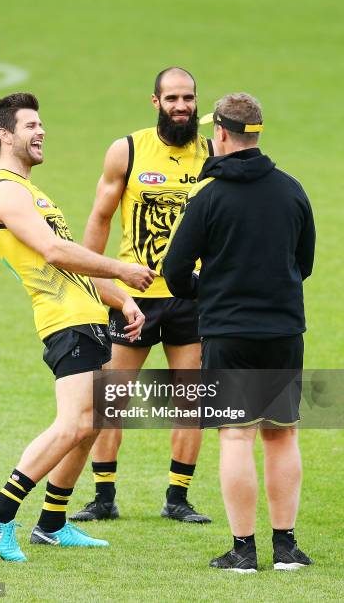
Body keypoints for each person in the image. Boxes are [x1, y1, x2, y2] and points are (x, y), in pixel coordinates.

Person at [0, 92, 155, 562]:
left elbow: (73, 263)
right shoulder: (4, 191)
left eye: (41, 125)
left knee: (92, 422)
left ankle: (52, 522)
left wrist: (122, 300)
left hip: (88, 316)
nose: (41, 132)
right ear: (4, 134)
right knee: (74, 421)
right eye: (30, 126)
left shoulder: (33, 193)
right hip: (64, 321)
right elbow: (54, 254)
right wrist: (121, 269)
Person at [163, 92, 315, 572]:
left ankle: (243, 551)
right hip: (283, 330)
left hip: (229, 334)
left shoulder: (209, 197)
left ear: (221, 134)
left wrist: (205, 292)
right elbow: (304, 263)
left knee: (235, 436)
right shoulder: (292, 190)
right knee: (282, 436)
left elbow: (174, 270)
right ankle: (287, 548)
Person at [69, 67, 214, 524]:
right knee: (112, 397)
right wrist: (95, 274)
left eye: (188, 98)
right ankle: (104, 495)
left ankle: (178, 498)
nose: (182, 106)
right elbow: (100, 215)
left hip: (191, 295)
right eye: (172, 98)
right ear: (156, 102)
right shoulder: (127, 150)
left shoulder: (214, 152)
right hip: (136, 293)